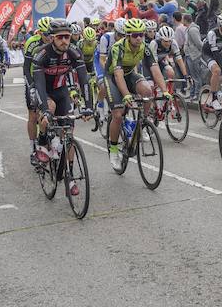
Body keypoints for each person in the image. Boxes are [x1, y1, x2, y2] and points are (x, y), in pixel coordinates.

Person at [29, 19, 92, 195]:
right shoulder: (41, 54)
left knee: (69, 132)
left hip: (61, 90)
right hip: (44, 91)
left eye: (68, 37)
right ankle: (42, 142)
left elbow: (84, 80)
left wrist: (88, 106)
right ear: (51, 38)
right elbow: (40, 85)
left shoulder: (74, 52)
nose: (65, 41)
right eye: (61, 37)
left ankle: (70, 175)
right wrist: (46, 111)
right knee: (49, 108)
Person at [104, 18, 167, 171]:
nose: (139, 38)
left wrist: (165, 90)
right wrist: (126, 95)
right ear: (127, 36)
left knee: (147, 91)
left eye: (141, 34)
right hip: (112, 77)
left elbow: (155, 69)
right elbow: (118, 75)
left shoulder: (144, 47)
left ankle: (143, 122)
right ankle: (113, 150)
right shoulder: (117, 48)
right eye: (135, 35)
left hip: (130, 74)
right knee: (118, 115)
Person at [22, 17, 53, 163]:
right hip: (34, 77)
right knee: (33, 115)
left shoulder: (56, 41)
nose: (50, 37)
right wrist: (31, 86)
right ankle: (33, 148)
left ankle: (47, 140)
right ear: (40, 33)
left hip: (50, 77)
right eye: (47, 34)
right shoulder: (32, 42)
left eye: (51, 33)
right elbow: (26, 68)